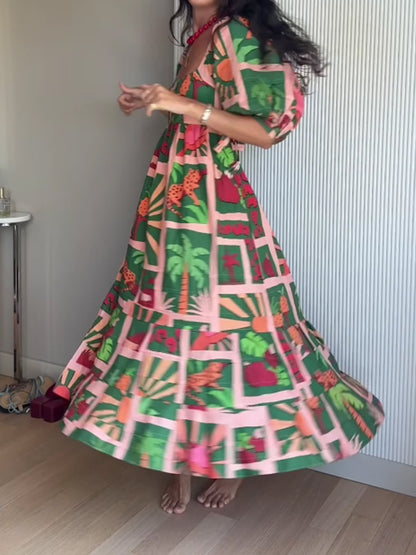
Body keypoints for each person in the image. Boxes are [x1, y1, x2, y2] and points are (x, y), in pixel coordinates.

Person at [53, 0, 385, 515]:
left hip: (214, 209)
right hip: (171, 205)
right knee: (174, 331)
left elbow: (270, 129)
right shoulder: (199, 34)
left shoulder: (237, 32)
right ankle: (185, 462)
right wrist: (157, 100)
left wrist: (184, 106)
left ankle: (229, 466)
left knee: (229, 330)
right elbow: (196, 113)